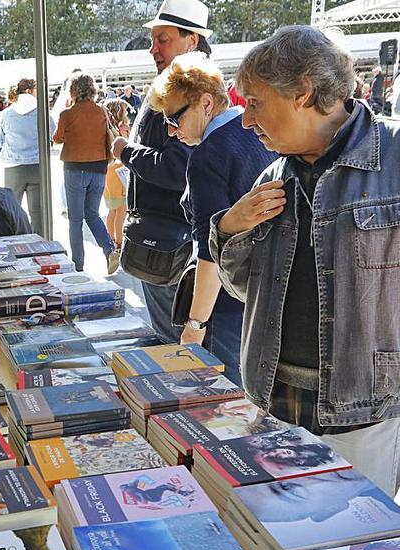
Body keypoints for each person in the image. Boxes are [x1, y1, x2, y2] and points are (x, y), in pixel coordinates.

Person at [212, 26, 400, 496]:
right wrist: (230, 231)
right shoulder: (275, 174)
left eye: (254, 102)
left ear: (302, 91)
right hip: (274, 399)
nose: (245, 120)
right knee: (280, 536)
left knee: (353, 545)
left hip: (369, 407)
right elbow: (246, 288)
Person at [148, 53, 277, 387]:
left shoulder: (208, 156)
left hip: (230, 304)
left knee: (226, 403)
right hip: (268, 295)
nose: (171, 132)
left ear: (206, 103)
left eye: (174, 119)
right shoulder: (257, 132)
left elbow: (211, 252)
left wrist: (195, 324)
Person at [110, 0, 213, 343]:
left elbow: (174, 168)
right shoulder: (170, 87)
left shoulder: (193, 95)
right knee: (168, 339)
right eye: (152, 41)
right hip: (158, 239)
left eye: (163, 39)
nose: (153, 50)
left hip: (172, 244)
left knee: (176, 346)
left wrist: (126, 151)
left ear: (192, 40)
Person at [53, 74, 116, 273]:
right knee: (93, 214)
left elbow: (57, 139)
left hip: (74, 168)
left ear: (73, 90)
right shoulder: (101, 111)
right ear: (92, 90)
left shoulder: (67, 114)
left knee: (75, 219)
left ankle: (78, 266)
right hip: (99, 168)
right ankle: (109, 249)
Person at [0, 77, 56, 236]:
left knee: (12, 211)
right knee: (37, 213)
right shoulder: (42, 112)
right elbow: (53, 132)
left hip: (13, 168)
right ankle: (39, 246)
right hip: (37, 166)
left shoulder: (6, 114)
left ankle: (14, 243)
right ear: (29, 91)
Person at [103, 99, 133, 269]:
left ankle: (111, 240)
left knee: (112, 210)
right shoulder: (122, 128)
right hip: (120, 172)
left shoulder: (107, 126)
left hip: (108, 172)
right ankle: (119, 245)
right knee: (121, 210)